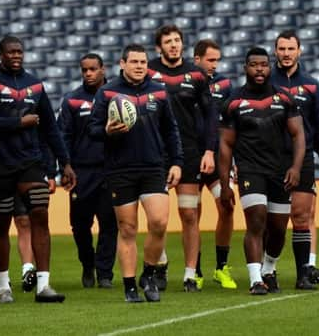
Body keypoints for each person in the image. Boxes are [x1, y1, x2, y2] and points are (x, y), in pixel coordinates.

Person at [0, 35, 76, 303]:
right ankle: (4, 285)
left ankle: (43, 285)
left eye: (19, 51)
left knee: (40, 214)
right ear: (0, 55)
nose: (16, 55)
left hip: (31, 162)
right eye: (11, 52)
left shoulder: (35, 85)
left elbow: (50, 128)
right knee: (0, 224)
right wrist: (18, 123)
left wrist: (64, 162)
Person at [88, 44, 183, 302]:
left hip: (153, 167)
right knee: (128, 229)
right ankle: (130, 287)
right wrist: (107, 131)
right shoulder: (107, 93)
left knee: (159, 223)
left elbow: (171, 131)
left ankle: (149, 274)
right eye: (134, 62)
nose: (140, 66)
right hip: (121, 169)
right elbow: (92, 130)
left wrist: (176, 162)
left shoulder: (159, 92)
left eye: (143, 62)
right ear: (122, 64)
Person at [219, 47, 305, 295]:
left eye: (264, 64)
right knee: (256, 221)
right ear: (245, 68)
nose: (260, 69)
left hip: (280, 171)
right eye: (254, 64)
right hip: (250, 170)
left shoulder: (284, 99)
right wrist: (225, 185)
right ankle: (256, 279)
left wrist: (296, 167)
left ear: (270, 67)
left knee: (278, 229)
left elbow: (299, 135)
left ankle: (269, 268)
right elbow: (225, 146)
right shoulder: (233, 102)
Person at [147, 25, 217, 292]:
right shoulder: (149, 71)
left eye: (177, 40)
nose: (174, 45)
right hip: (157, 153)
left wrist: (209, 150)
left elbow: (211, 114)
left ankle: (190, 274)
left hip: (189, 152)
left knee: (189, 214)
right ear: (159, 47)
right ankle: (160, 263)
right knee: (159, 217)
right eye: (168, 41)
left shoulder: (196, 74)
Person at [269, 30, 319, 290]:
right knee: (273, 219)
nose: (286, 53)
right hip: (271, 159)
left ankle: (302, 274)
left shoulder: (311, 84)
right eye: (282, 49)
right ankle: (269, 270)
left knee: (301, 216)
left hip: (303, 158)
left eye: (291, 49)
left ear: (300, 51)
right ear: (275, 51)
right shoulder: (265, 83)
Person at [57, 53, 117, 289]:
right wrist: (65, 166)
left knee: (109, 224)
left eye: (93, 69)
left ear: (103, 69)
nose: (89, 74)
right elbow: (64, 136)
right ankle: (87, 263)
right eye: (85, 70)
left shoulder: (116, 98)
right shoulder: (71, 100)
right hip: (81, 171)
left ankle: (104, 274)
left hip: (110, 169)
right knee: (80, 225)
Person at [192, 39, 237, 290]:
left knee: (227, 205)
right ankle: (195, 270)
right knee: (192, 215)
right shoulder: (185, 83)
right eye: (210, 59)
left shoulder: (224, 84)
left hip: (219, 159)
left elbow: (232, 125)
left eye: (217, 60)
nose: (214, 64)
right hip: (191, 159)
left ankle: (221, 267)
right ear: (196, 59)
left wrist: (235, 159)